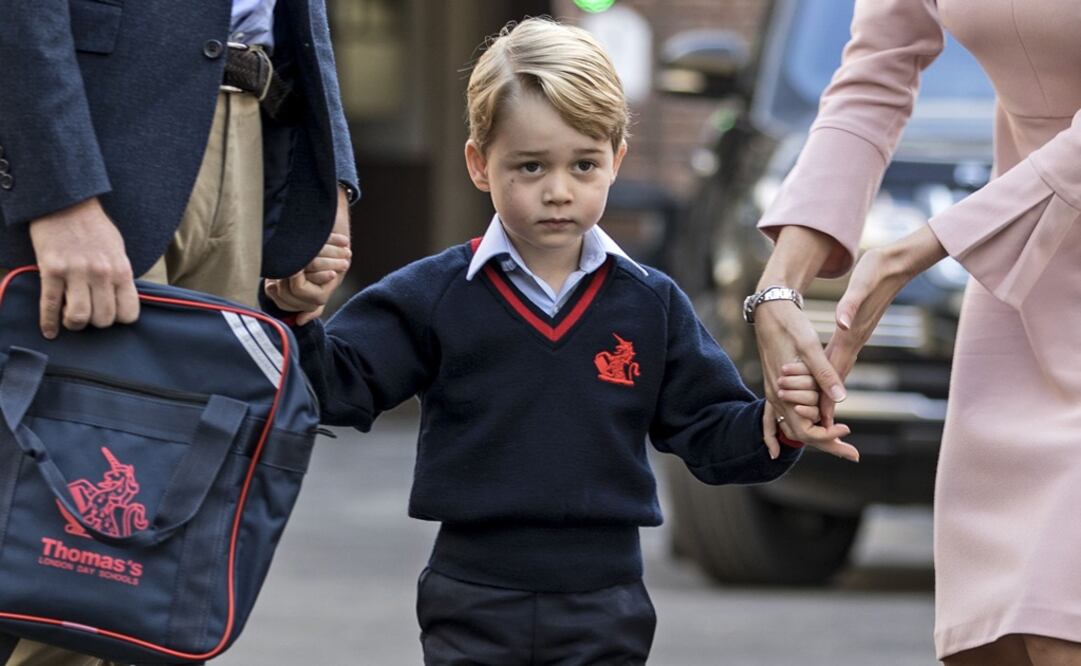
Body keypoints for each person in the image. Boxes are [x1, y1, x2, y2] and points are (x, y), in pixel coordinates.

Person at [262, 17, 851, 664]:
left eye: (584, 164)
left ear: (616, 160)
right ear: (479, 164)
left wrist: (781, 422)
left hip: (606, 604)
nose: (558, 191)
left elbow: (712, 435)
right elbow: (337, 387)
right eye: (530, 166)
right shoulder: (434, 294)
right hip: (472, 596)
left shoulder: (650, 305)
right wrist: (298, 315)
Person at [0, 1, 355, 664]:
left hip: (251, 126)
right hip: (102, 132)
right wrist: (58, 189)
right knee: (60, 574)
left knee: (166, 583)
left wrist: (326, 176)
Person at [755, 1, 1081, 664]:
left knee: (1060, 623)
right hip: (1020, 292)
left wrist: (923, 247)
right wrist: (779, 288)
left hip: (1008, 236)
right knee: (992, 638)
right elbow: (873, 77)